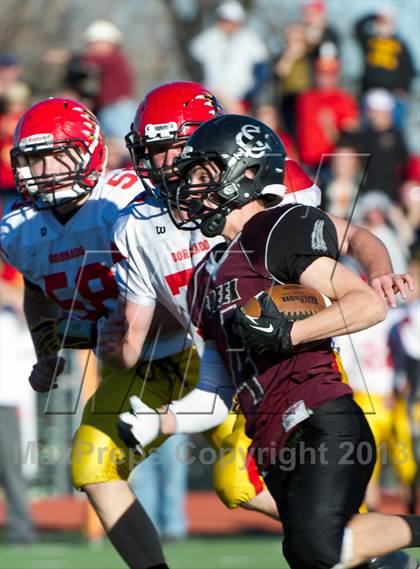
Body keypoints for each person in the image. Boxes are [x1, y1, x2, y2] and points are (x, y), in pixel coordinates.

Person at [155, 113, 420, 568]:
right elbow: (218, 389)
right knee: (323, 557)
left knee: (315, 548)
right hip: (271, 439)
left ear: (247, 173)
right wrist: (159, 421)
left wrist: (289, 331)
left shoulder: (275, 228)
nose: (192, 187)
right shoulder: (202, 277)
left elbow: (366, 304)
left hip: (320, 417)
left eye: (203, 173)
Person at [190, 0, 269, 113]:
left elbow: (260, 71)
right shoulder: (207, 39)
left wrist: (251, 96)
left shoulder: (250, 40)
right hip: (213, 98)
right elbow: (197, 65)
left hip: (241, 100)